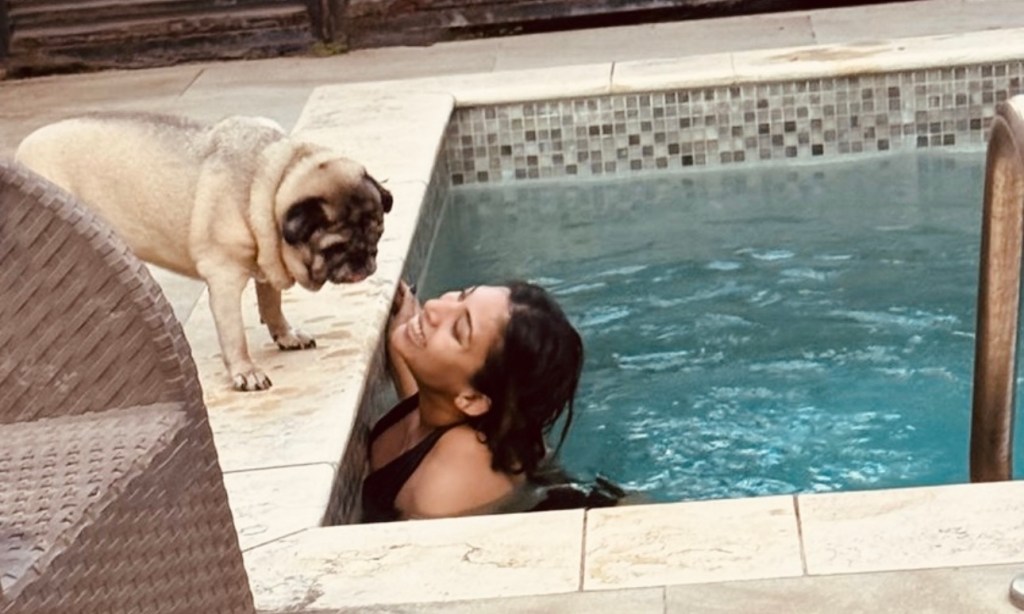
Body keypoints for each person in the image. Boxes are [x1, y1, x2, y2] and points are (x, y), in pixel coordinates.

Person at [361, 279, 625, 522]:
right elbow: (426, 428)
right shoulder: (445, 405)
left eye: (457, 330)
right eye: (460, 296)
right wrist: (404, 347)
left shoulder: (444, 488)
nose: (433, 307)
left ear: (472, 398)